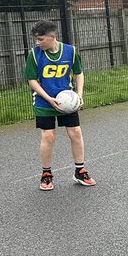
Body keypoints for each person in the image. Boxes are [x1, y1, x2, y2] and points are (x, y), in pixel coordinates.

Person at [24, 20, 96, 191]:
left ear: (52, 37)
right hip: (44, 101)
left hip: (67, 100)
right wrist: (49, 99)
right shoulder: (34, 55)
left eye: (40, 39)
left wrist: (79, 95)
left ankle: (80, 171)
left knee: (75, 132)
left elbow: (78, 73)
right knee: (48, 136)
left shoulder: (70, 51)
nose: (37, 42)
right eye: (36, 39)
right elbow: (32, 80)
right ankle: (46, 174)